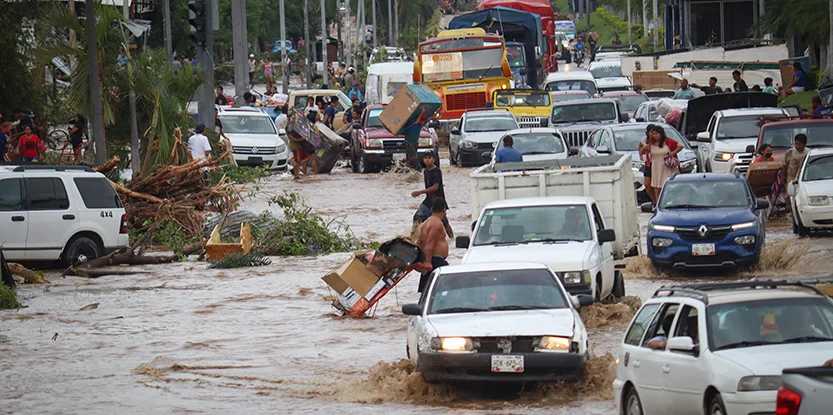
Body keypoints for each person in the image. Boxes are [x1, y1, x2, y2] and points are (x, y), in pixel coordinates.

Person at [416, 197, 450, 293]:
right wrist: (427, 262)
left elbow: (419, 243)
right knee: (449, 288)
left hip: (431, 261)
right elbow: (430, 242)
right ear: (444, 210)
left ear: (431, 209)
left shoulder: (425, 223)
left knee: (427, 292)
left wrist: (421, 261)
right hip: (435, 262)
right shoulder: (436, 223)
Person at [647, 125, 683, 194]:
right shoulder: (651, 143)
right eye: (653, 134)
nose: (655, 136)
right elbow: (644, 150)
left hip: (667, 168)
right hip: (656, 168)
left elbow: (680, 146)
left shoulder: (668, 141)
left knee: (669, 186)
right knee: (657, 187)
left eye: (656, 134)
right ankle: (658, 203)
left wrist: (673, 153)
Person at [637, 124, 657, 205]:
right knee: (647, 184)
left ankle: (657, 201)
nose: (653, 134)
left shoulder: (658, 140)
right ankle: (654, 201)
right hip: (648, 163)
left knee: (656, 185)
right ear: (648, 132)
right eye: (651, 132)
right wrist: (641, 154)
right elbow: (640, 147)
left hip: (656, 163)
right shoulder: (645, 139)